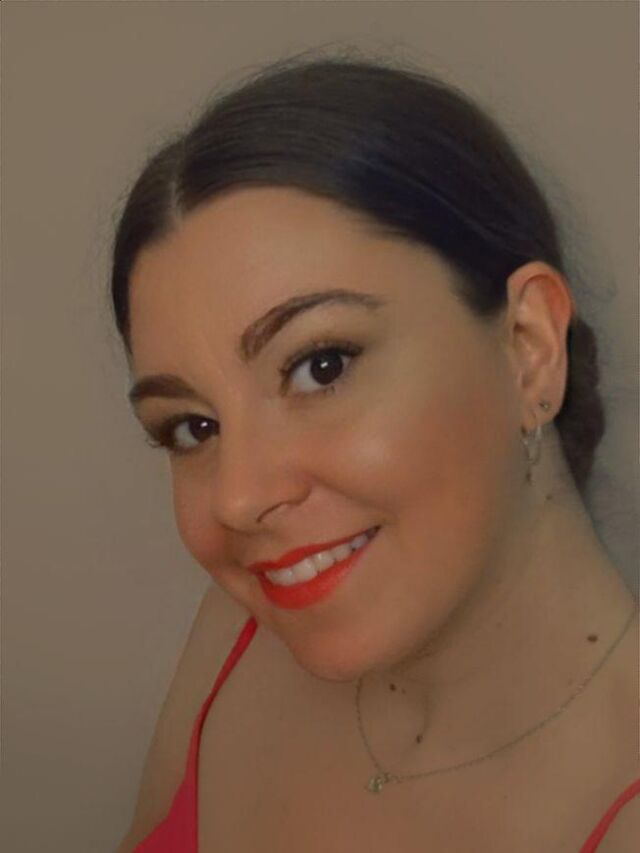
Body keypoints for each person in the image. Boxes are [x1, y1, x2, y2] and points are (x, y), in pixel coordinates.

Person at [111, 52, 639, 852]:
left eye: (321, 366)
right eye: (194, 426)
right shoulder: (239, 635)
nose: (238, 498)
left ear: (529, 348)